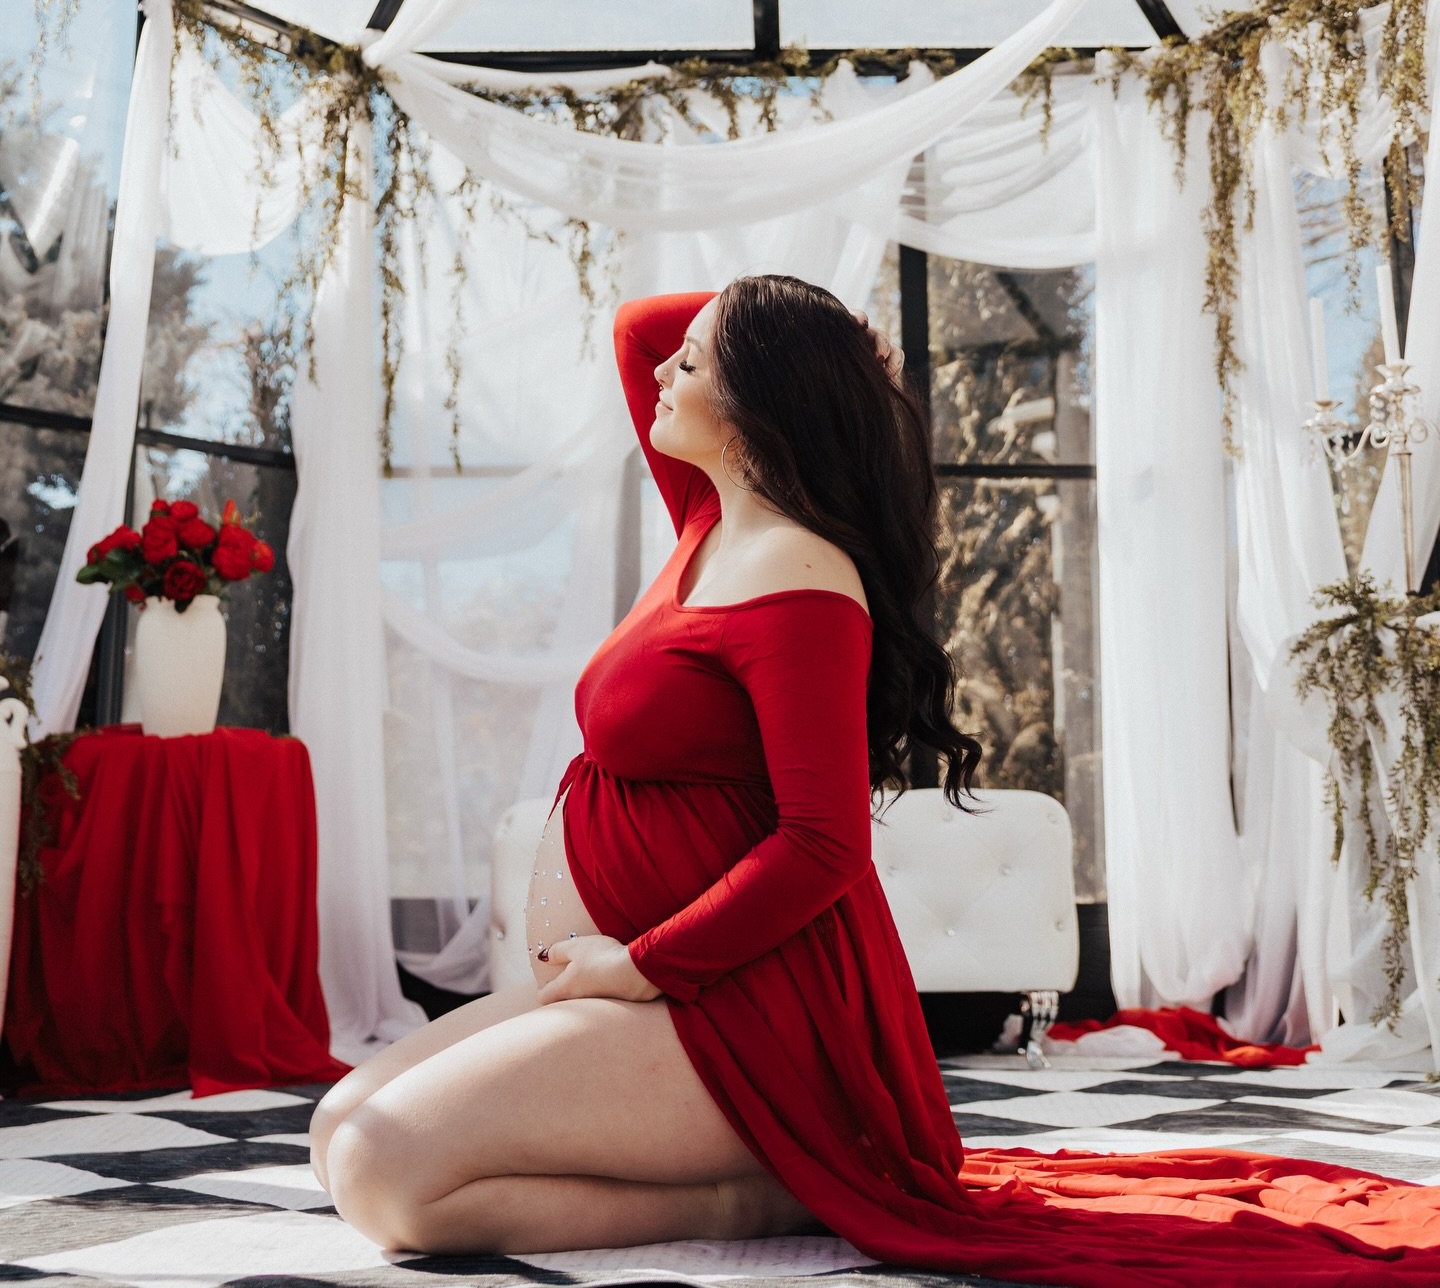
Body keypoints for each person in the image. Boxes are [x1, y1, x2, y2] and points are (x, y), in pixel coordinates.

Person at [311, 281, 1440, 1284]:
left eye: (697, 366)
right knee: (336, 1127)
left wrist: (641, 964)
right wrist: (822, 343)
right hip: (673, 989)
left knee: (381, 1175)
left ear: (759, 409)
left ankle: (772, 1193)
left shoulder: (800, 573)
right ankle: (775, 1182)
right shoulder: (709, 516)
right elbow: (638, 326)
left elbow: (823, 843)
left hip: (741, 1009)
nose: (664, 372)